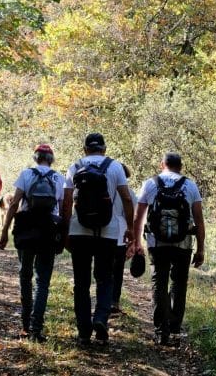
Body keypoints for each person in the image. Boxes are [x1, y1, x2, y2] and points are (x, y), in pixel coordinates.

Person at [61, 133, 134, 345]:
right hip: (108, 231)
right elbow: (127, 199)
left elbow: (66, 202)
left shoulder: (74, 166)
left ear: (85, 149)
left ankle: (84, 332)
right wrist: (129, 228)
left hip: (79, 230)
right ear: (104, 148)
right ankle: (101, 319)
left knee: (81, 283)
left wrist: (65, 231)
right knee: (105, 278)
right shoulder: (115, 167)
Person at [130, 152, 205, 346]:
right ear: (181, 166)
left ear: (162, 164)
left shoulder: (150, 183)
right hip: (183, 243)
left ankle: (160, 330)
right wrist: (201, 249)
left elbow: (139, 217)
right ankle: (174, 327)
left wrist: (137, 242)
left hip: (157, 243)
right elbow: (199, 219)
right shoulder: (190, 185)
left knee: (159, 282)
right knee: (179, 283)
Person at [0, 144, 64, 343]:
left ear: (35, 158)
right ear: (51, 159)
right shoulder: (59, 178)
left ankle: (25, 326)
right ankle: (36, 328)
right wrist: (64, 235)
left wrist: (4, 231)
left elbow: (14, 203)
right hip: (48, 232)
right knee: (42, 281)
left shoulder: (26, 174)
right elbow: (63, 209)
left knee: (25, 276)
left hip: (26, 230)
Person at [111, 164, 136, 314]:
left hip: (103, 231)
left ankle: (104, 301)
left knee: (104, 270)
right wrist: (132, 238)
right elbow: (133, 215)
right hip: (121, 233)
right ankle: (114, 302)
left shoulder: (104, 189)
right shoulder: (130, 193)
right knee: (118, 270)